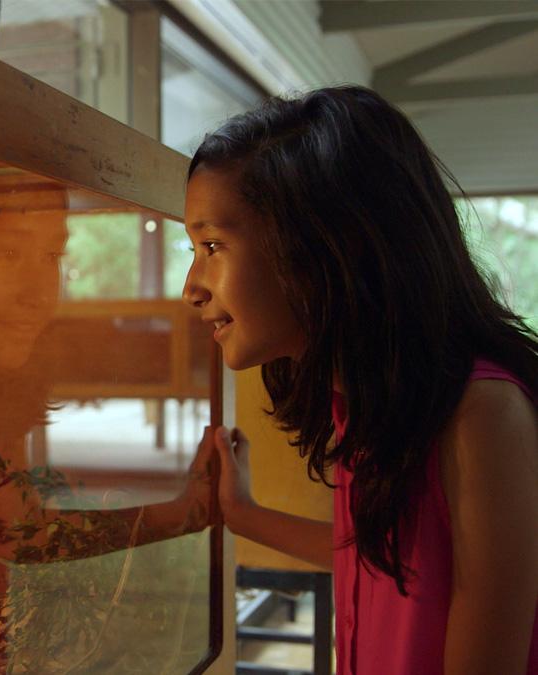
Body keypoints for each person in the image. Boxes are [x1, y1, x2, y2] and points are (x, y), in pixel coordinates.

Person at [182, 86, 538, 675]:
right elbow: (386, 561)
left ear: (326, 244)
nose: (192, 287)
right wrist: (242, 513)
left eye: (213, 245)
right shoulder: (366, 403)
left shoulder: (482, 413)